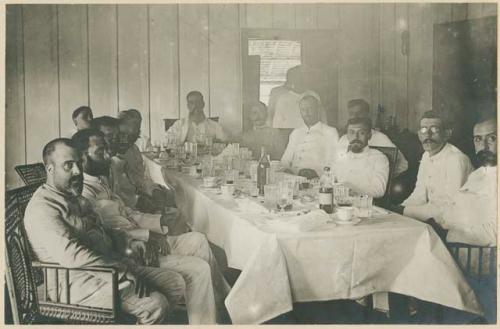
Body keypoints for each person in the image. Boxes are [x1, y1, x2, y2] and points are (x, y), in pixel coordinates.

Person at [73, 129, 230, 324]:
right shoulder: (84, 193)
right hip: (132, 252)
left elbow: (127, 214)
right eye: (100, 152)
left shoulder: (101, 180)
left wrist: (159, 224)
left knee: (198, 240)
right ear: (81, 157)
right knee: (199, 269)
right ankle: (214, 313)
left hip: (139, 241)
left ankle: (218, 304)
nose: (108, 155)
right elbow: (109, 234)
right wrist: (147, 237)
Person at [24, 138, 186, 324]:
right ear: (50, 170)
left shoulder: (72, 195)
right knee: (156, 304)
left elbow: (103, 230)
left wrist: (128, 242)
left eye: (78, 163)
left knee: (174, 282)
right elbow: (73, 256)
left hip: (106, 268)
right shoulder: (43, 208)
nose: (78, 171)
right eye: (68, 165)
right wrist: (123, 273)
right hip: (76, 283)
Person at [397, 111, 474, 223]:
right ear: (419, 135)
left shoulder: (456, 159)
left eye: (434, 130)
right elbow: (419, 194)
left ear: (447, 134)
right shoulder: (426, 155)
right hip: (434, 217)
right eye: (423, 130)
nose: (427, 135)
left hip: (458, 223)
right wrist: (399, 210)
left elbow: (450, 207)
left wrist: (404, 211)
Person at [440, 117, 497, 246]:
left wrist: (451, 234)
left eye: (491, 138)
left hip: (476, 254)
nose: (484, 146)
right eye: (478, 139)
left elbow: (494, 233)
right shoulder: (477, 174)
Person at [112, 110, 175, 212]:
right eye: (125, 133)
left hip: (138, 194)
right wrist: (140, 199)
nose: (137, 131)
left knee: (171, 195)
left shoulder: (134, 149)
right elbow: (120, 191)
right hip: (125, 204)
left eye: (138, 127)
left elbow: (140, 179)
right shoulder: (113, 155)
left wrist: (153, 189)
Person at [337, 99, 408, 176]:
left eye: (359, 113)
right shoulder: (343, 139)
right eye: (351, 113)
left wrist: (386, 177)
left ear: (367, 115)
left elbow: (403, 165)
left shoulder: (381, 138)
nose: (355, 116)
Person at [280, 94, 339, 177]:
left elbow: (332, 162)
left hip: (316, 179)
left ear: (317, 109)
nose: (306, 113)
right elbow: (285, 160)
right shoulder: (296, 132)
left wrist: (318, 174)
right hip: (294, 178)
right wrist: (285, 170)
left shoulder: (330, 132)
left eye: (310, 109)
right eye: (303, 110)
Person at [331, 117, 389, 198]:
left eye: (361, 133)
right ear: (347, 135)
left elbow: (378, 191)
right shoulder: (341, 158)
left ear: (369, 135)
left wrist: (352, 191)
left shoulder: (379, 158)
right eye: (351, 132)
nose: (356, 137)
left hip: (365, 206)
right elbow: (330, 181)